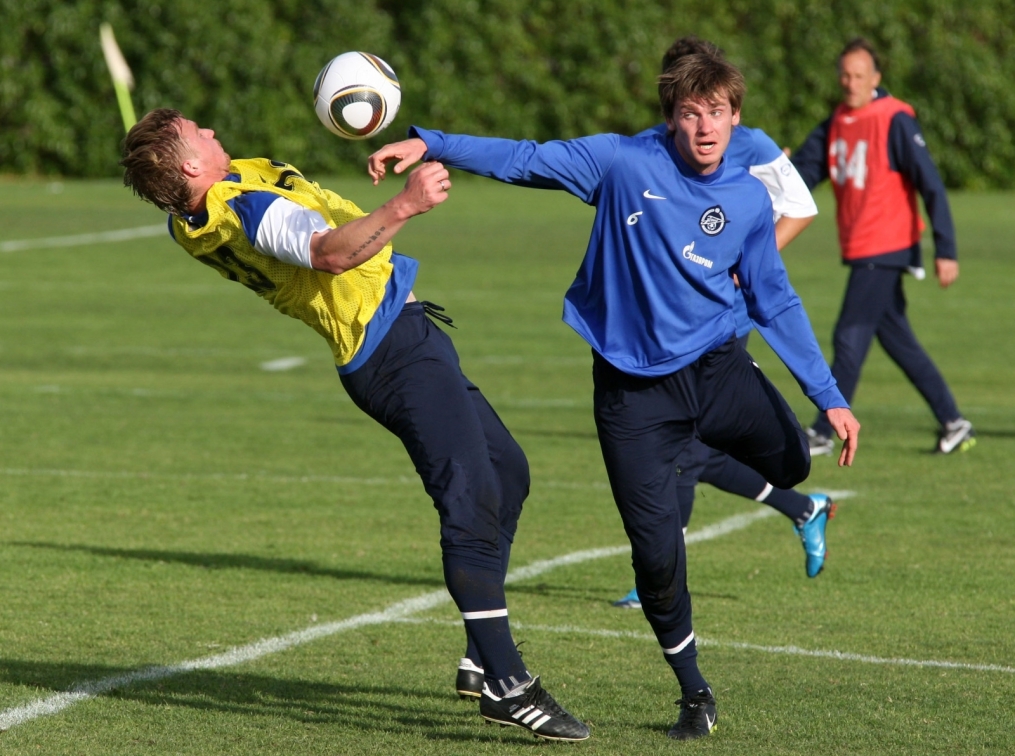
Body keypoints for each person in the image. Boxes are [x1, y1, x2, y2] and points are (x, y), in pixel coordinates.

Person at [369, 51, 860, 741]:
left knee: (791, 465)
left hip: (718, 369)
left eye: (715, 112)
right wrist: (434, 142)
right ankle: (694, 695)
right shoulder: (621, 164)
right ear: (669, 121)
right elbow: (525, 158)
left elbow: (774, 296)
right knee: (656, 559)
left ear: (735, 117)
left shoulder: (748, 195)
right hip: (634, 399)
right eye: (689, 113)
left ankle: (763, 484)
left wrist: (829, 396)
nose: (704, 126)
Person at [119, 108, 589, 742]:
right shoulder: (242, 207)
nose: (210, 129)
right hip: (391, 354)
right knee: (472, 498)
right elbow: (327, 254)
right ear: (189, 166)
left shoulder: (196, 209)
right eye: (196, 131)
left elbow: (298, 205)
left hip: (405, 335)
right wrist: (405, 206)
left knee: (509, 471)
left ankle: (481, 647)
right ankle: (508, 682)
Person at [613, 37, 832, 614]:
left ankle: (659, 575)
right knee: (685, 450)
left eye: (704, 102)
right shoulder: (654, 150)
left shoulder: (750, 143)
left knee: (680, 451)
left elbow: (801, 207)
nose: (693, 117)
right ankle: (801, 509)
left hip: (721, 326)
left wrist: (742, 270)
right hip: (667, 327)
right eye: (680, 102)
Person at [791, 37, 975, 456]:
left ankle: (823, 428)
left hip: (887, 244)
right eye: (844, 74)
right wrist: (766, 171)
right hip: (861, 246)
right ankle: (953, 420)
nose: (850, 82)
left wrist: (946, 248)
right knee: (895, 338)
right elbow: (802, 171)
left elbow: (932, 185)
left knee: (849, 335)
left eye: (859, 75)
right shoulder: (836, 121)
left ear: (876, 78)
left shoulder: (895, 119)